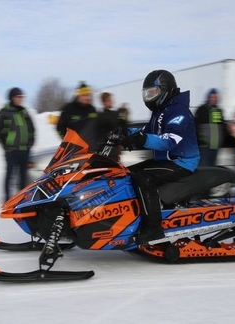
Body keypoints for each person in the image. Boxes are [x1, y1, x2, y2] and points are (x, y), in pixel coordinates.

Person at [121, 70, 200, 245]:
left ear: (165, 90)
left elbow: (170, 140)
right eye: (147, 93)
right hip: (165, 160)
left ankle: (153, 228)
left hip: (181, 161)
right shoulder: (160, 111)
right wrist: (124, 133)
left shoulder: (178, 110)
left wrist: (143, 139)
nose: (149, 97)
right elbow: (146, 132)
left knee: (143, 178)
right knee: (124, 173)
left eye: (152, 93)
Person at [0, 87, 35, 201]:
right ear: (12, 98)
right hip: (11, 150)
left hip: (24, 149)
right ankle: (7, 198)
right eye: (18, 97)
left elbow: (31, 129)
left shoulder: (24, 112)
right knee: (10, 175)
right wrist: (6, 145)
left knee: (23, 176)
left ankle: (21, 198)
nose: (20, 99)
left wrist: (30, 143)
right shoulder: (5, 112)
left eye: (22, 97)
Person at [56, 82, 98, 150]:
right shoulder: (69, 108)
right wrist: (68, 142)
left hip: (91, 148)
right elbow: (60, 127)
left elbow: (96, 128)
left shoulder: (92, 109)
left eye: (89, 95)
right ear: (79, 96)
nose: (88, 98)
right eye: (85, 95)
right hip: (74, 148)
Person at [194, 88, 226, 167]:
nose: (213, 99)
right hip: (204, 146)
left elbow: (222, 127)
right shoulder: (201, 109)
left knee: (213, 166)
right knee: (204, 166)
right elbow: (195, 126)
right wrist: (200, 141)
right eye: (211, 97)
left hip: (215, 145)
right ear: (208, 98)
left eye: (215, 97)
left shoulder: (219, 111)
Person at [96, 92, 128, 161]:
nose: (111, 101)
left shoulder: (110, 114)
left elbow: (123, 130)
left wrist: (123, 120)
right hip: (108, 150)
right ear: (103, 102)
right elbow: (112, 121)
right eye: (108, 100)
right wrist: (121, 114)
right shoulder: (102, 116)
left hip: (113, 150)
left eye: (111, 99)